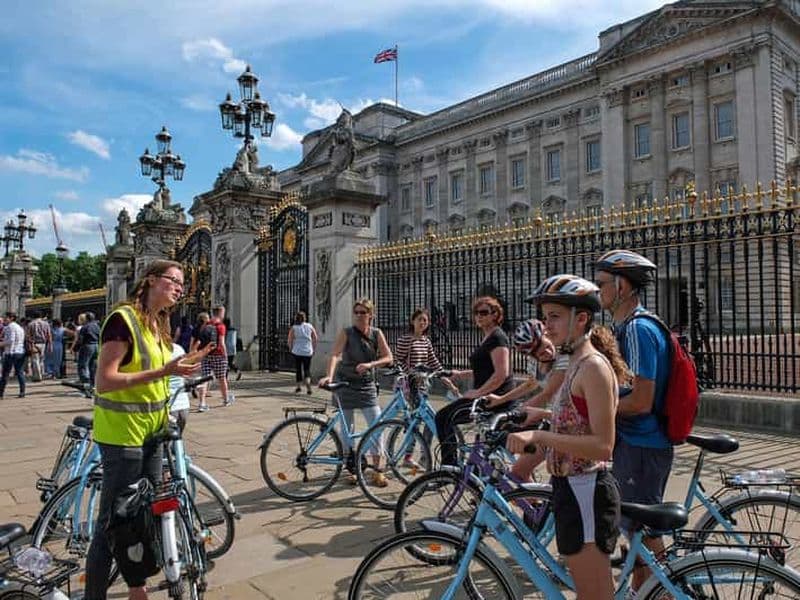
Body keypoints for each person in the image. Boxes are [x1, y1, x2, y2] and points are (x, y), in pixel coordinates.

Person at [84, 259, 210, 600]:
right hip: (122, 434)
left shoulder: (158, 324)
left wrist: (179, 370)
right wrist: (162, 372)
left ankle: (136, 584)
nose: (180, 289)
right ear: (151, 280)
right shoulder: (123, 320)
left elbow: (157, 377)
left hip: (153, 433)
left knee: (145, 516)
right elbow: (106, 380)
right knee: (112, 523)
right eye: (174, 281)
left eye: (182, 284)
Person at [506, 274, 625, 600]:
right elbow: (577, 421)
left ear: (582, 317)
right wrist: (540, 416)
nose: (546, 326)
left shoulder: (593, 368)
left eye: (555, 316)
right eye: (545, 318)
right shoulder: (574, 361)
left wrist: (541, 437)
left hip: (587, 488)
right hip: (569, 487)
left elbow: (603, 443)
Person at [595, 249, 672, 593]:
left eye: (602, 285)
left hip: (643, 445)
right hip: (635, 444)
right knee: (635, 533)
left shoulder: (639, 329)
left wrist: (598, 410)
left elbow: (641, 400)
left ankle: (664, 588)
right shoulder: (623, 326)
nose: (598, 292)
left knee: (643, 533)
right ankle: (645, 590)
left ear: (622, 286)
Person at [318, 299, 394, 487]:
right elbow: (335, 354)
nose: (359, 316)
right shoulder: (347, 332)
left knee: (377, 426)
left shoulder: (376, 334)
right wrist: (329, 375)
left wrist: (371, 364)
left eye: (363, 312)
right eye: (356, 312)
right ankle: (350, 468)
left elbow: (388, 357)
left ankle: (377, 470)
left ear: (371, 315)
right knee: (347, 429)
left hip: (366, 385)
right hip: (345, 384)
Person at [434, 296, 515, 466]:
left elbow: (501, 373)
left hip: (493, 399)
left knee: (443, 418)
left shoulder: (498, 338)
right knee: (481, 449)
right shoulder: (488, 337)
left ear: (495, 315)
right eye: (476, 313)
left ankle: (450, 467)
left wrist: (477, 392)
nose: (479, 316)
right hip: (484, 396)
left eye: (484, 313)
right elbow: (486, 370)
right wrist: (461, 374)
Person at [485, 318, 568, 482]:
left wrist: (515, 413)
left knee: (558, 481)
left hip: (569, 425)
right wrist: (500, 400)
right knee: (518, 473)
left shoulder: (564, 356)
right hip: (554, 420)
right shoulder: (534, 361)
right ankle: (537, 506)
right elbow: (531, 384)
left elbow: (547, 394)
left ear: (546, 334)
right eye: (535, 351)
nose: (542, 351)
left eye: (542, 344)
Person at [287, 311, 317, 394]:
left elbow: (290, 339)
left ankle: (298, 386)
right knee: (307, 369)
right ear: (305, 318)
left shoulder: (294, 328)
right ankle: (308, 384)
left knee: (298, 369)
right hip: (308, 351)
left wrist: (290, 348)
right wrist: (313, 348)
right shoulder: (310, 326)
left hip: (297, 351)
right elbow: (315, 337)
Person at [0, 312, 26, 399]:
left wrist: (1, 344)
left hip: (11, 353)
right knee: (20, 372)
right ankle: (22, 392)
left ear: (11, 318)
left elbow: (11, 341)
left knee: (5, 374)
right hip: (20, 352)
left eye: (6, 317)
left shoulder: (10, 327)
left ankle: (1, 393)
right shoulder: (20, 328)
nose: (4, 319)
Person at [169, 343, 191, 433]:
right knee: (178, 439)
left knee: (166, 443)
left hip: (169, 406)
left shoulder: (157, 351)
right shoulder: (179, 348)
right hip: (184, 404)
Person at [78, 312, 101, 390]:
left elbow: (80, 339)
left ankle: (85, 382)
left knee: (83, 364)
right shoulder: (97, 326)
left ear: (86, 318)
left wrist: (79, 347)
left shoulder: (85, 327)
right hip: (96, 346)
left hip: (87, 345)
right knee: (93, 365)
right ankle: (93, 384)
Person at [26, 311, 52, 382]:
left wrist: (30, 345)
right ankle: (41, 374)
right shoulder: (46, 324)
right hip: (43, 344)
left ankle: (37, 376)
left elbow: (28, 336)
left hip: (34, 344)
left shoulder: (30, 324)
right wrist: (50, 345)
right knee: (41, 360)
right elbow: (49, 335)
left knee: (35, 360)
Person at [223, 317, 242, 382]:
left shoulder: (225, 329)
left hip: (226, 348)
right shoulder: (234, 330)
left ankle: (226, 378)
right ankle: (237, 371)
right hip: (233, 348)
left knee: (226, 363)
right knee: (230, 363)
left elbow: (224, 339)